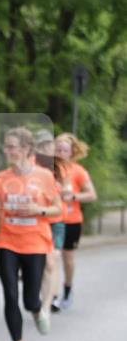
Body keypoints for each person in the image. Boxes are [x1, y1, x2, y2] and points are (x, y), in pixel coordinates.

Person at [0, 128, 62, 341]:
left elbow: (57, 209)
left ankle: (38, 311)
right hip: (7, 242)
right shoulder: (1, 178)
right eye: (5, 146)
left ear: (26, 149)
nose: (7, 151)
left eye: (11, 146)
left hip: (35, 243)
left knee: (30, 300)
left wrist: (38, 210)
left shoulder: (44, 176)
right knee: (10, 296)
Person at [54, 132, 97, 309]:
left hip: (71, 221)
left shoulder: (78, 171)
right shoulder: (46, 170)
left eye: (64, 150)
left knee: (68, 258)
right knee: (52, 257)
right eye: (57, 149)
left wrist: (73, 196)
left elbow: (92, 195)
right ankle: (52, 295)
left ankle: (67, 289)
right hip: (51, 220)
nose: (60, 153)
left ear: (71, 152)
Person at [33, 129, 66, 317]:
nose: (46, 148)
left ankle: (48, 302)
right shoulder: (30, 167)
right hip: (36, 221)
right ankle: (42, 293)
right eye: (42, 145)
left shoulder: (59, 167)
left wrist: (63, 189)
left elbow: (67, 188)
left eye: (48, 144)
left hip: (56, 222)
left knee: (52, 260)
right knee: (42, 263)